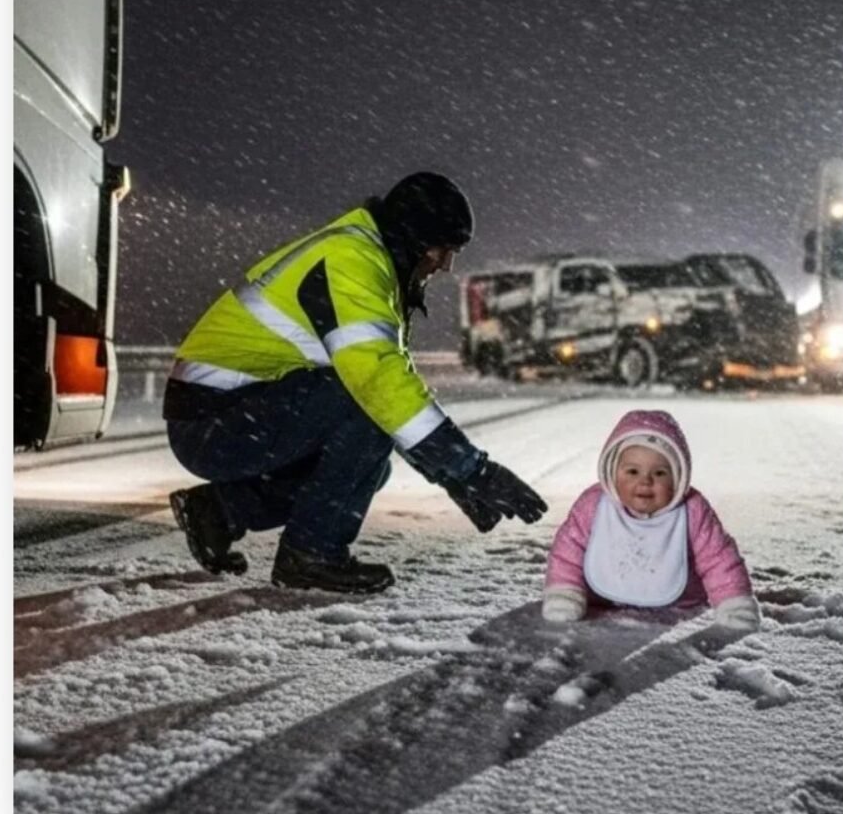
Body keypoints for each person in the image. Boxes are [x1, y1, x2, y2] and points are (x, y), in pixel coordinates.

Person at [163, 171, 547, 594]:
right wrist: (473, 470)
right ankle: (311, 555)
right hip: (211, 420)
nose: (446, 264)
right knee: (364, 409)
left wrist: (453, 477)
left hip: (229, 413)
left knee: (368, 469)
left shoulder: (370, 262)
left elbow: (391, 394)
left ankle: (220, 511)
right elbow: (380, 386)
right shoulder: (353, 262)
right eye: (443, 248)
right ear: (413, 237)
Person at [541, 409, 760, 628]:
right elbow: (568, 551)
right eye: (633, 472)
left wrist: (734, 602)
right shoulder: (594, 505)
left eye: (660, 473)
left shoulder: (692, 510)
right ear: (612, 472)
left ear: (678, 477)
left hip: (678, 603)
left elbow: (718, 558)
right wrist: (565, 591)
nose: (645, 481)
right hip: (602, 599)